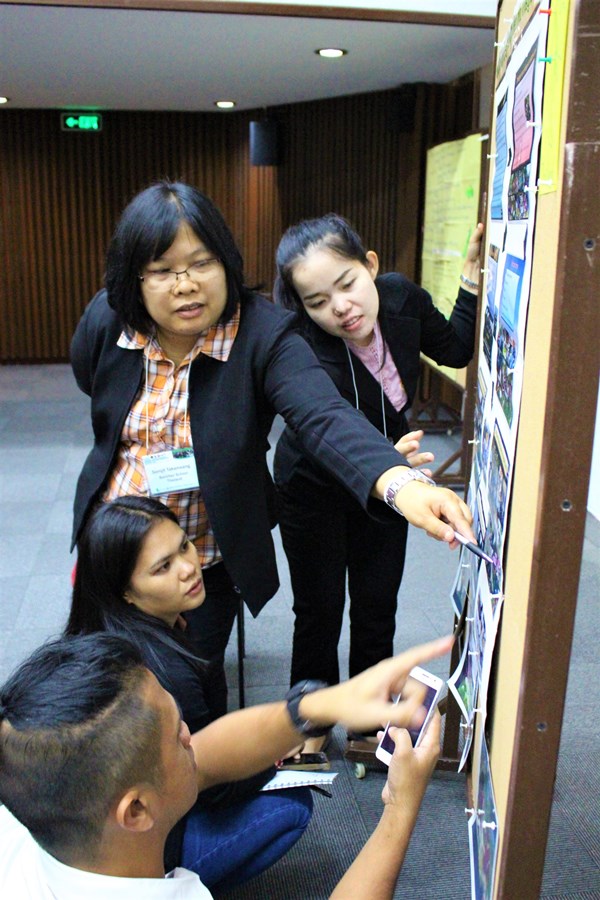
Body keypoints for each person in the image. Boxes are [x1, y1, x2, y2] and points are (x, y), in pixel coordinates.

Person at [70, 180, 474, 716]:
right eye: (163, 270)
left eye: (201, 263)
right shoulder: (108, 317)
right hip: (115, 549)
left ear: (227, 262)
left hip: (203, 554)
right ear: (134, 277)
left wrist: (400, 483)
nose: (185, 285)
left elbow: (323, 415)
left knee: (188, 694)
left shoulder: (264, 333)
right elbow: (88, 378)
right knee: (101, 690)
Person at [0, 632, 451, 899]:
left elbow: (202, 756)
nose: (190, 737)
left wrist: (324, 704)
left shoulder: (25, 797)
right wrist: (400, 806)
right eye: (177, 734)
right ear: (135, 812)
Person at [273, 213, 482, 749]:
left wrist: (470, 282)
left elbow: (457, 349)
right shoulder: (300, 346)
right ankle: (311, 725)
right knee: (318, 610)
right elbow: (320, 430)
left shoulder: (400, 299)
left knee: (376, 604)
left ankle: (368, 721)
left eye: (346, 284)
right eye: (318, 301)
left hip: (395, 488)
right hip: (313, 487)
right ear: (302, 308)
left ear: (370, 266)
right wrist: (381, 461)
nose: (340, 307)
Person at [65, 494, 312, 891]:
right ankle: (174, 885)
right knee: (294, 804)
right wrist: (274, 756)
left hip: (97, 831)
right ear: (125, 590)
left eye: (184, 545)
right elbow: (201, 784)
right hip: (141, 843)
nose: (188, 568)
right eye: (163, 567)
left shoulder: (111, 628)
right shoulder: (162, 671)